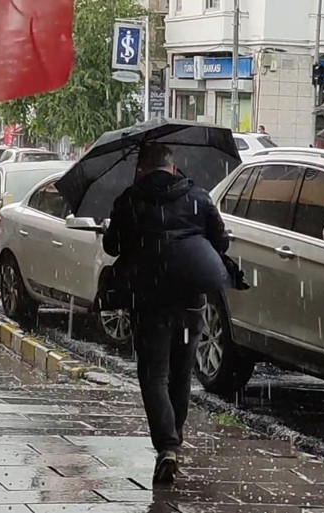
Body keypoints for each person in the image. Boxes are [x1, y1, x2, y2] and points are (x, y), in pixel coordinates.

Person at [102, 142, 230, 485]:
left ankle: (167, 446)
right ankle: (176, 437)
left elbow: (113, 246)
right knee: (181, 372)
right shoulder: (199, 198)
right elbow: (222, 242)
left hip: (149, 301)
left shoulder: (129, 199)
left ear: (142, 168)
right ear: (173, 168)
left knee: (154, 375)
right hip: (190, 300)